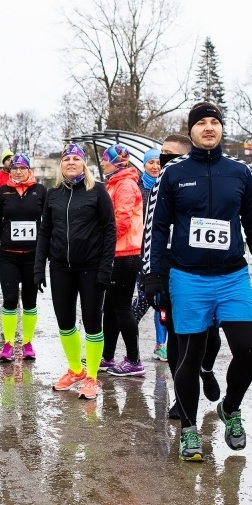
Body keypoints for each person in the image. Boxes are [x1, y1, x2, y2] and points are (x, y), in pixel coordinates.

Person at [145, 102, 252, 461]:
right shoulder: (171, 175)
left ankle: (230, 409)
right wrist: (153, 274)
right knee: (187, 356)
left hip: (232, 276)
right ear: (190, 131)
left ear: (221, 129)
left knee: (248, 349)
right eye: (201, 122)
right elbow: (156, 228)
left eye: (214, 122)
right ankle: (189, 430)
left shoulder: (240, 173)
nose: (208, 127)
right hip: (187, 278)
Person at [140, 135, 222, 419]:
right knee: (176, 336)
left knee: (210, 336)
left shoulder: (202, 185)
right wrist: (149, 274)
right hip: (170, 271)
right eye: (161, 154)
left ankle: (206, 369)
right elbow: (150, 236)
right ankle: (181, 398)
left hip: (202, 271)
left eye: (169, 155)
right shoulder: (155, 189)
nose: (162, 160)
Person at [35, 144, 116, 400]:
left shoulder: (97, 191)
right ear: (61, 165)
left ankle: (92, 376)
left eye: (76, 159)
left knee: (92, 323)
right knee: (65, 323)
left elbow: (110, 230)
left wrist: (105, 269)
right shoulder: (53, 194)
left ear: (84, 164)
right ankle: (75, 369)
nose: (71, 162)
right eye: (66, 159)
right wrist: (39, 268)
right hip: (60, 267)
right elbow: (45, 232)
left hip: (91, 268)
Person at [0, 153, 47, 361]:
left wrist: (47, 252)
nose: (18, 171)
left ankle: (28, 343)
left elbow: (48, 224)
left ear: (29, 170)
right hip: (9, 256)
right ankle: (9, 344)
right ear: (10, 170)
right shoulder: (4, 191)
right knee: (10, 300)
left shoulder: (40, 191)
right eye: (14, 168)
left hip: (32, 256)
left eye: (22, 168)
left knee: (30, 301)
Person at [97, 144, 145, 377]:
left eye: (105, 159)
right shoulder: (116, 183)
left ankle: (134, 360)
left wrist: (100, 240)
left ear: (116, 162)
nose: (102, 162)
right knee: (110, 307)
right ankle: (107, 356)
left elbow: (121, 222)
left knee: (122, 308)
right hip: (117, 254)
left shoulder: (125, 185)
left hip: (125, 255)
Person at [132, 149, 168, 360]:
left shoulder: (167, 186)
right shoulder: (137, 189)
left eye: (158, 163)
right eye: (151, 163)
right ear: (144, 166)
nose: (155, 167)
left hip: (162, 252)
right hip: (139, 251)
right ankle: (125, 328)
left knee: (161, 299)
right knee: (145, 298)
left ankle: (160, 344)